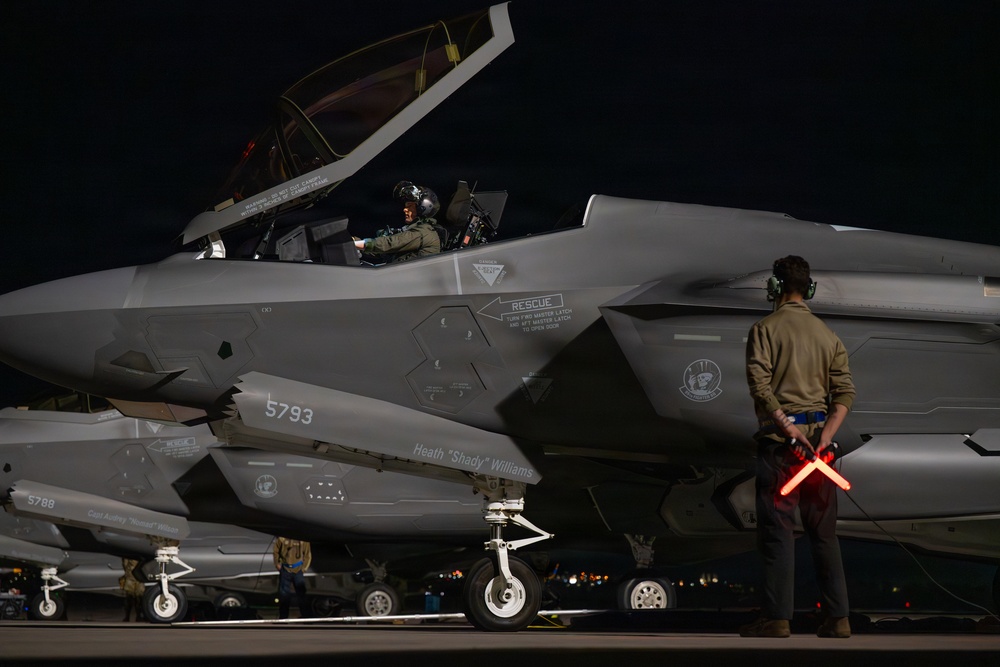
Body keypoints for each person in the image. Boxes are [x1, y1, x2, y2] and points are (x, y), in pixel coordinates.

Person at [742, 255, 855, 639]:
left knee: (778, 531)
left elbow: (761, 387)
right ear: (809, 290)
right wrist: (825, 436)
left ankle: (777, 619)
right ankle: (838, 619)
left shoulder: (764, 329)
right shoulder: (828, 335)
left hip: (781, 450)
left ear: (774, 288)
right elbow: (845, 392)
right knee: (824, 533)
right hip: (821, 453)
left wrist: (789, 429)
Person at [354, 181, 445, 262]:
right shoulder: (415, 230)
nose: (405, 210)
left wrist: (355, 244)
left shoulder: (424, 232)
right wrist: (354, 241)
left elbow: (390, 243)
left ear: (421, 208)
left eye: (409, 206)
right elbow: (383, 251)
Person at [273, 536, 312, 619]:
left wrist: (304, 568)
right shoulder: (282, 539)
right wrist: (277, 564)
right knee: (284, 595)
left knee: (301, 594)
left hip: (298, 570)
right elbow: (276, 551)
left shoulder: (303, 541)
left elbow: (308, 555)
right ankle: (283, 617)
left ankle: (306, 616)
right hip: (285, 569)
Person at [120, 558, 145, 622]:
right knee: (133, 598)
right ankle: (135, 616)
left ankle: (133, 616)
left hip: (134, 577)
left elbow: (125, 564)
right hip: (135, 577)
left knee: (136, 598)